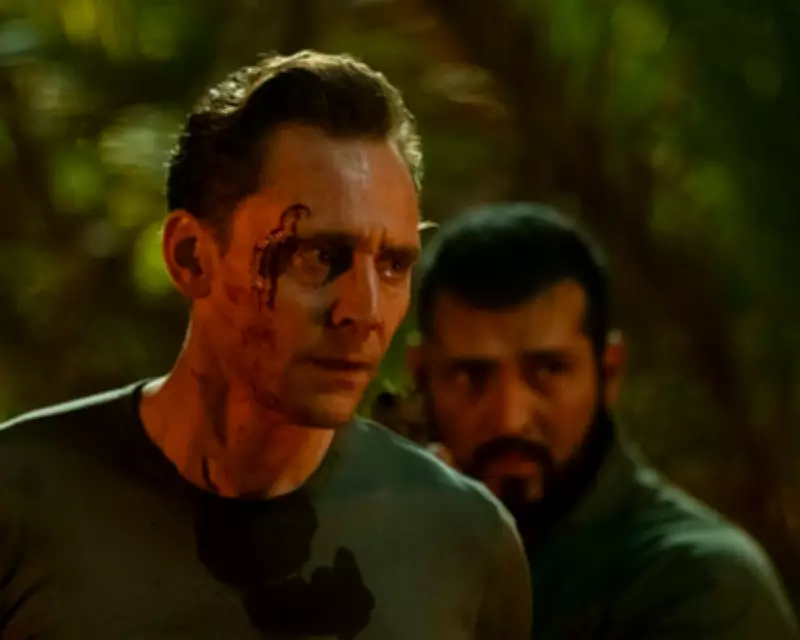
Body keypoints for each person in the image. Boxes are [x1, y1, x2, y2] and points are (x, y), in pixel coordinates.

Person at [0, 52, 531, 639]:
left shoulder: (464, 540)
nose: (364, 311)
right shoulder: (22, 501)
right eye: (319, 256)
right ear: (191, 257)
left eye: (393, 265)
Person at [408, 201, 798, 638]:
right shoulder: (393, 548)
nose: (510, 420)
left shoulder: (701, 585)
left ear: (609, 372)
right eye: (469, 376)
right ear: (421, 376)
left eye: (548, 370)